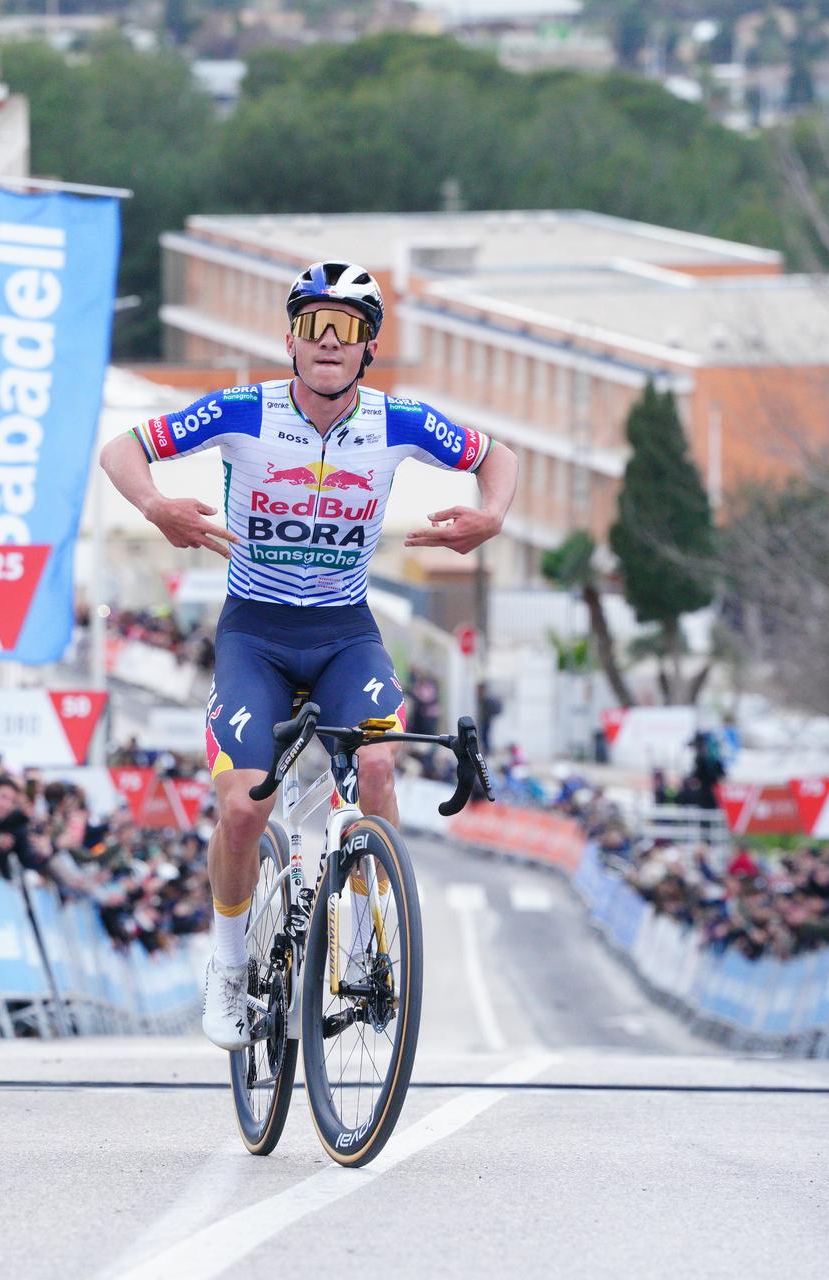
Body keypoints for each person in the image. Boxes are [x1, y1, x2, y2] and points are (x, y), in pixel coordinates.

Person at [97, 259, 519, 1050]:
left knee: (384, 768)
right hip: (254, 633)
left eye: (350, 328)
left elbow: (499, 458)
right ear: (290, 339)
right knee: (243, 808)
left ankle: (363, 945)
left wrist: (490, 516)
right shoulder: (242, 412)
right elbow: (123, 449)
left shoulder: (397, 422)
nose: (330, 341)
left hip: (344, 634)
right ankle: (227, 968)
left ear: (368, 350)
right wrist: (156, 506)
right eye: (314, 324)